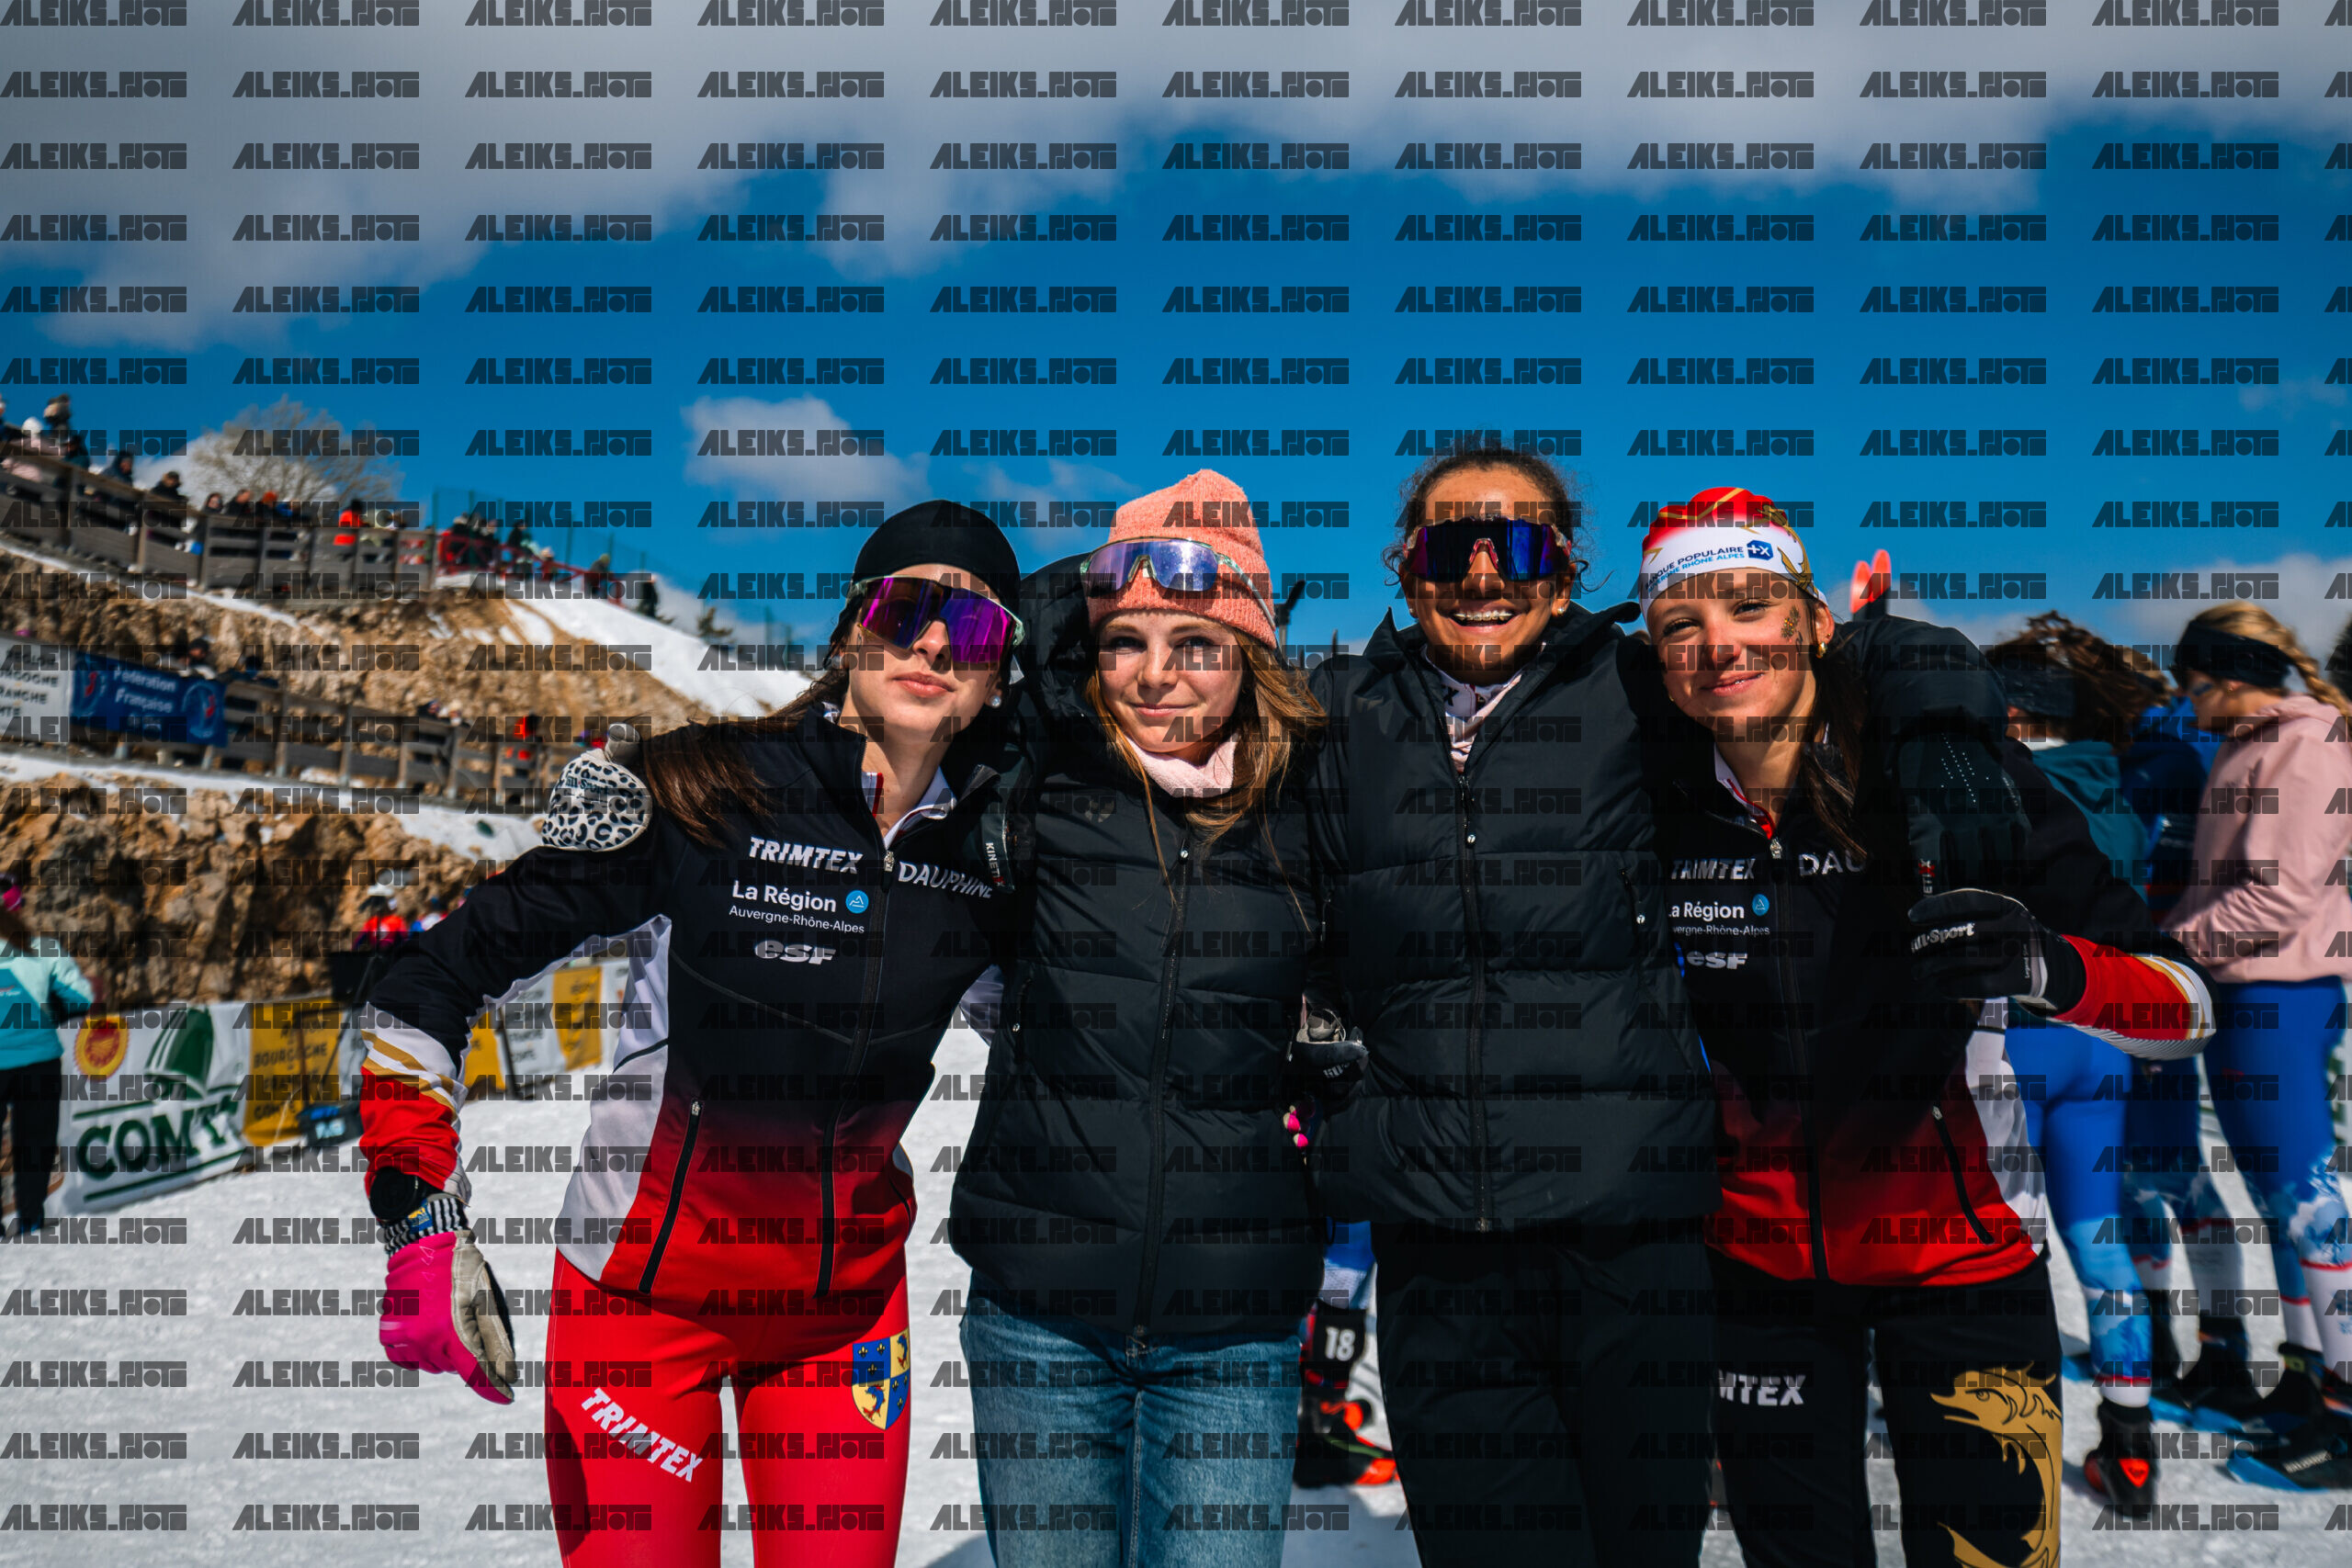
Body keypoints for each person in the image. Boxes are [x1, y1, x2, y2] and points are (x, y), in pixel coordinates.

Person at [356, 501, 1024, 1566]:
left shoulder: (992, 862)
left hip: (842, 1320)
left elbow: (1078, 1049)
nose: (937, 643)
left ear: (1001, 674)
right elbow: (430, 980)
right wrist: (418, 1216)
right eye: (908, 609)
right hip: (641, 1306)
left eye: (978, 627)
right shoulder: (698, 789)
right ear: (853, 626)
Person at [1639, 491, 2215, 1561]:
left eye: (1751, 606)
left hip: (1961, 1267)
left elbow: (2182, 1007)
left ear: (1814, 622)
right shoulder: (1653, 803)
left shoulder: (1948, 778)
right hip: (1757, 1277)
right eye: (1682, 622)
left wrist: (2048, 968)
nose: (1719, 644)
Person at [1300, 448, 1721, 1568]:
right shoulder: (1335, 713)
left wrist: (1924, 679)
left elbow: (1804, 682)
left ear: (1566, 567)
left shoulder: (1642, 691)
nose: (1483, 573)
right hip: (1439, 1252)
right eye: (1451, 544)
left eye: (1520, 544)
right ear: (1405, 566)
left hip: (1629, 1240)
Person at [950, 472, 1332, 1568]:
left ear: (1251, 651)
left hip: (1235, 1325)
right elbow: (991, 647)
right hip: (1039, 1314)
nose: (1154, 674)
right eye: (1124, 641)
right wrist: (1105, 572)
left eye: (1195, 643)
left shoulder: (1312, 810)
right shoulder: (1044, 780)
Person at [1984, 616, 2185, 1507]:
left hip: (2019, 1040)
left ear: (2015, 716)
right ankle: (2131, 1447)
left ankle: (2010, 1443)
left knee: (2009, 1251)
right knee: (2099, 1241)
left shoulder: (2002, 791)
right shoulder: (2116, 793)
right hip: (2102, 1049)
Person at [2159, 603, 2352, 1490]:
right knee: (2280, 1200)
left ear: (2231, 677)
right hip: (2239, 993)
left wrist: (2166, 949)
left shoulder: (2307, 745)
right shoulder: (2246, 744)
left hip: (2280, 991)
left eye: (2194, 685)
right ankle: (2309, 1383)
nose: (2188, 704)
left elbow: (2278, 896)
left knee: (2309, 1199)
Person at [0, 873, 96, 1236]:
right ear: (17, 907)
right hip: (39, 1060)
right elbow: (81, 999)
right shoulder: (44, 949)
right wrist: (44, 1014)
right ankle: (31, 1220)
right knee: (35, 1145)